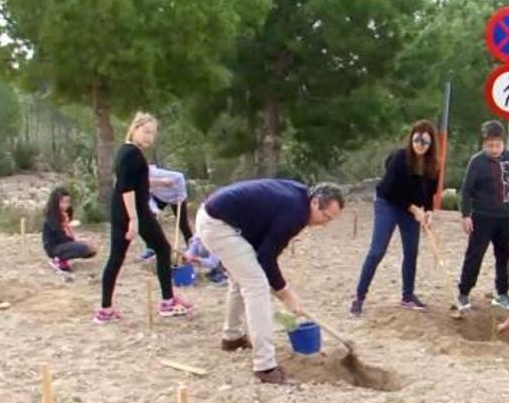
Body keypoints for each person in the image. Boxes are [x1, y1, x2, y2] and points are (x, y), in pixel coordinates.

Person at [196, 180, 344, 385]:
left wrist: (282, 288)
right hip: (219, 225)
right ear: (316, 202)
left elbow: (265, 248)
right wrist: (286, 293)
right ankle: (265, 366)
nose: (324, 224)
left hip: (223, 220)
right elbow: (266, 258)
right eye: (325, 217)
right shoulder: (296, 213)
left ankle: (232, 337)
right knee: (257, 286)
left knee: (242, 279)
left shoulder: (301, 197)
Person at [97, 112, 193, 325]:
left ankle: (105, 309)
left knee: (117, 257)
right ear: (135, 128)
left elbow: (137, 180)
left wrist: (162, 183)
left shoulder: (127, 152)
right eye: (146, 131)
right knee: (162, 249)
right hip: (134, 211)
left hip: (121, 210)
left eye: (153, 133)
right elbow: (127, 189)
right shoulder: (132, 154)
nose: (150, 137)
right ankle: (168, 302)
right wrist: (133, 219)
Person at [350, 120, 440, 316]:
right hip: (388, 204)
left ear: (431, 143)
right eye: (416, 139)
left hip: (411, 210)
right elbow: (390, 190)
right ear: (411, 139)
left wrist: (428, 212)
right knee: (377, 251)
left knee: (411, 252)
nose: (420, 144)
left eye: (425, 141)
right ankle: (359, 297)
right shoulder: (400, 158)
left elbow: (430, 194)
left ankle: (407, 297)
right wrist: (414, 209)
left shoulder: (433, 165)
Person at [456, 120, 509, 312]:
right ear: (484, 144)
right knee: (475, 255)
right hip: (482, 216)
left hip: (506, 217)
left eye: (498, 145)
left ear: (503, 143)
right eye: (490, 145)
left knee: (504, 256)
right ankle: (464, 293)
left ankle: (502, 293)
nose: (494, 149)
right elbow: (466, 191)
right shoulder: (477, 162)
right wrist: (466, 215)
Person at [141, 165, 191, 260]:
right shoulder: (137, 182)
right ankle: (151, 247)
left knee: (183, 223)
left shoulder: (157, 174)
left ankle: (192, 248)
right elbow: (148, 197)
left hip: (176, 197)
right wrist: (154, 210)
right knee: (148, 220)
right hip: (159, 197)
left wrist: (181, 195)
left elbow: (179, 176)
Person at [42, 187, 96, 273]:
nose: (66, 205)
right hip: (54, 247)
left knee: (91, 249)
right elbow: (61, 237)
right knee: (84, 248)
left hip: (63, 244)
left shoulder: (64, 215)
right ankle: (58, 259)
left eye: (68, 202)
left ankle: (62, 258)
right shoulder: (52, 219)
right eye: (63, 202)